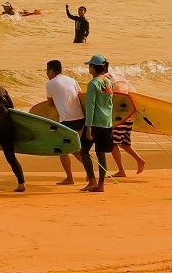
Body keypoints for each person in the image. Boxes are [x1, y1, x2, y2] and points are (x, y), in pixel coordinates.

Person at [43, 60, 85, 185]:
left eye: (47, 71)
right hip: (80, 119)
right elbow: (81, 96)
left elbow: (50, 104)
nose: (46, 73)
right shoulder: (72, 80)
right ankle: (90, 173)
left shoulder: (50, 83)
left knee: (63, 150)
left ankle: (70, 178)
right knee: (77, 148)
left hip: (66, 120)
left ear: (51, 71)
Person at [80, 55, 115, 192]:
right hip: (107, 123)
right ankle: (101, 185)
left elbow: (91, 107)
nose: (88, 67)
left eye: (89, 65)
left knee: (83, 151)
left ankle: (92, 181)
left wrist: (88, 128)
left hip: (94, 123)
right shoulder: (108, 82)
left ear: (94, 67)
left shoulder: (93, 84)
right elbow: (110, 103)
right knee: (101, 154)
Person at [105, 70, 145, 177]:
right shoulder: (119, 77)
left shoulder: (105, 79)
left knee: (113, 144)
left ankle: (121, 171)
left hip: (120, 117)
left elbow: (111, 97)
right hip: (130, 114)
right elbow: (132, 94)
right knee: (124, 143)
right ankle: (140, 160)